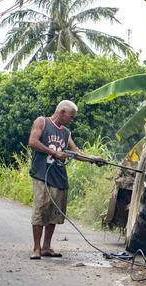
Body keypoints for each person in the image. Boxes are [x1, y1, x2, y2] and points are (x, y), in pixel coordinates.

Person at [28, 100, 103, 260]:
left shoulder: (66, 133)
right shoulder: (42, 122)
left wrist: (92, 159)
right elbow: (33, 142)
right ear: (61, 112)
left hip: (59, 176)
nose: (72, 120)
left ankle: (46, 246)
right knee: (40, 210)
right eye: (71, 116)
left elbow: (76, 152)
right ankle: (36, 248)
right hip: (42, 174)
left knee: (54, 212)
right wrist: (54, 153)